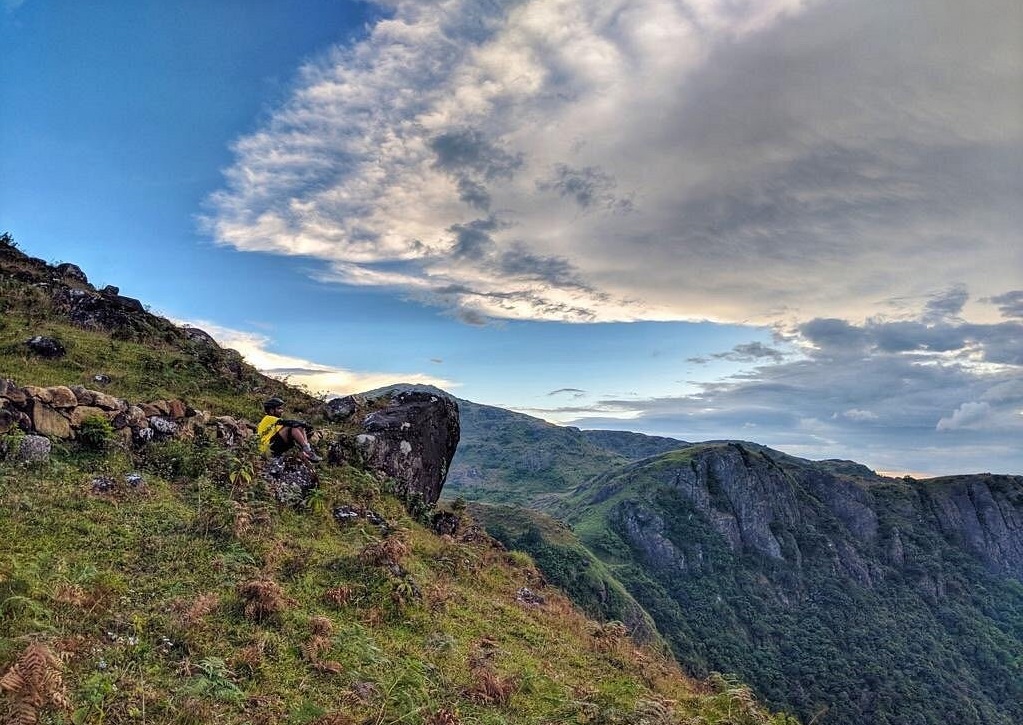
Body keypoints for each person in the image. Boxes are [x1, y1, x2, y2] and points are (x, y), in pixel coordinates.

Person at [257, 397, 322, 462]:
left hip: (273, 446)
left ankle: (307, 450)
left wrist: (302, 426)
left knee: (299, 427)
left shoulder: (274, 422)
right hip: (267, 449)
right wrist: (303, 424)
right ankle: (307, 451)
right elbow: (288, 423)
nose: (282, 410)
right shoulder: (268, 418)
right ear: (271, 410)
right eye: (279, 408)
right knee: (291, 427)